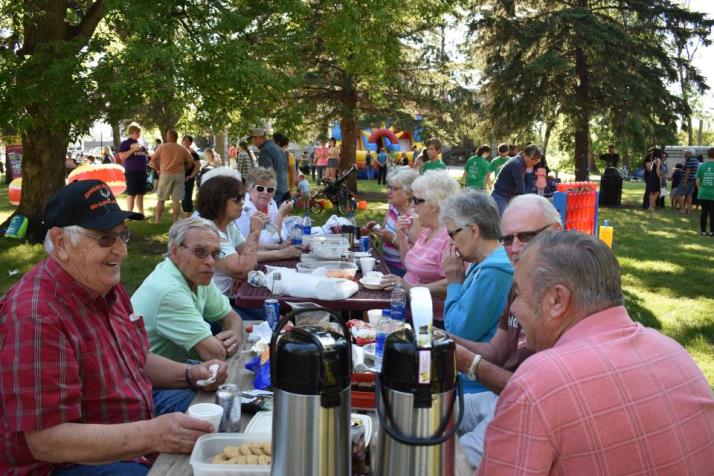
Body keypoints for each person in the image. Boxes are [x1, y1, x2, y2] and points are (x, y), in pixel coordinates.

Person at [0, 180, 228, 476]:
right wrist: (152, 435)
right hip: (61, 464)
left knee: (222, 412)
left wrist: (189, 375)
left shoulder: (105, 285)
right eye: (105, 239)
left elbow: (134, 358)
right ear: (61, 242)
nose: (121, 251)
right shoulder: (36, 316)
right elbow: (46, 442)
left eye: (123, 235)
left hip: (131, 415)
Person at [478, 231, 714, 475]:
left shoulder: (540, 380)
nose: (513, 308)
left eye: (518, 294)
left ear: (557, 300)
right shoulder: (671, 350)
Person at [447, 194, 561, 468]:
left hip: (530, 409)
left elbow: (536, 395)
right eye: (507, 239)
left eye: (525, 236)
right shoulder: (518, 277)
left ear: (556, 231)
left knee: (455, 461)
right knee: (427, 411)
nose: (514, 247)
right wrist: (446, 343)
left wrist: (467, 361)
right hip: (499, 395)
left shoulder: (560, 295)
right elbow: (497, 351)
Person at [131, 217, 244, 364]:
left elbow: (232, 316)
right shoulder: (170, 292)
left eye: (215, 253)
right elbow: (215, 353)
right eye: (200, 251)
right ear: (175, 252)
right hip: (143, 376)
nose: (210, 261)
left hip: (168, 367)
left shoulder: (196, 275)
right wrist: (231, 340)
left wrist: (234, 335)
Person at [441, 190, 513, 393]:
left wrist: (454, 282)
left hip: (476, 386)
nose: (451, 242)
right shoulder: (485, 262)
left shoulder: (493, 273)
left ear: (473, 230)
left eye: (452, 234)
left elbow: (457, 331)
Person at [380, 170, 459, 324]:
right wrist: (401, 238)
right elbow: (409, 263)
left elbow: (451, 284)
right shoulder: (427, 230)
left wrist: (407, 288)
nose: (412, 207)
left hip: (432, 321)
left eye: (416, 201)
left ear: (434, 205)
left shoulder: (449, 238)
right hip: (411, 310)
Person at [195, 172, 263, 297]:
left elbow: (247, 255)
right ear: (218, 200)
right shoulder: (207, 233)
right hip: (212, 303)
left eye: (242, 197)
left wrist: (240, 270)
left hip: (227, 295)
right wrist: (254, 233)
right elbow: (242, 269)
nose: (242, 203)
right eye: (237, 198)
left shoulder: (227, 225)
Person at [235, 167, 302, 261]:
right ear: (250, 189)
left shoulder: (271, 203)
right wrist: (281, 215)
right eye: (260, 188)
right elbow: (255, 243)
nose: (265, 192)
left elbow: (283, 234)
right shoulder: (243, 210)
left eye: (270, 189)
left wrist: (279, 245)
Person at [363, 168, 419, 276]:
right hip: (385, 265)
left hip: (404, 272)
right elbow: (385, 233)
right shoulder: (393, 206)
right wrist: (375, 227)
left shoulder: (416, 216)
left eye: (395, 188)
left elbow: (416, 252)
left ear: (408, 193)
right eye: (389, 187)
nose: (389, 191)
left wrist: (392, 239)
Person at [151, 129, 194, 224]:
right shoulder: (182, 148)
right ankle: (175, 221)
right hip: (179, 175)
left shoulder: (162, 147)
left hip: (165, 174)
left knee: (161, 199)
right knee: (176, 200)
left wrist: (158, 170)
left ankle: (157, 221)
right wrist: (185, 169)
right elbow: (191, 161)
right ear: (176, 137)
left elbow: (153, 160)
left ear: (168, 137)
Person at [491, 144, 542, 215]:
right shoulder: (517, 164)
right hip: (500, 197)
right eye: (532, 159)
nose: (534, 162)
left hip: (507, 197)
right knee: (503, 221)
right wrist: (530, 203)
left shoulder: (522, 163)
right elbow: (521, 188)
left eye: (536, 160)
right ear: (525, 154)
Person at [118, 122, 149, 215]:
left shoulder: (140, 144)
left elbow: (146, 156)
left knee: (140, 194)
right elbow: (122, 157)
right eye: (137, 132)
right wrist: (132, 150)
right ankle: (129, 214)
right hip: (132, 172)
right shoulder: (125, 143)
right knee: (131, 194)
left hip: (142, 172)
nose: (139, 134)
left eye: (139, 132)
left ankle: (141, 213)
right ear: (132, 132)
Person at [252, 128, 288, 203]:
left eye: (252, 139)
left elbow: (266, 175)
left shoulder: (265, 150)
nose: (252, 142)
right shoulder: (278, 148)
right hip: (283, 189)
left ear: (258, 137)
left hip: (274, 192)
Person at [181, 134, 202, 218]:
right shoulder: (180, 151)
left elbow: (198, 166)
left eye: (187, 141)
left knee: (187, 197)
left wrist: (191, 176)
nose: (185, 142)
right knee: (182, 197)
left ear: (190, 143)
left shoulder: (193, 153)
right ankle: (186, 216)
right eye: (184, 140)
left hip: (188, 177)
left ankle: (188, 217)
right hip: (180, 177)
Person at [696, 147, 714, 236]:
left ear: (708, 155)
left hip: (703, 193)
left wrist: (700, 191)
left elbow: (697, 181)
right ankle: (712, 232)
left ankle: (703, 232)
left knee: (703, 213)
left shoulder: (701, 166)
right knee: (713, 214)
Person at [274, 133, 297, 202]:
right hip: (277, 187)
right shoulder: (288, 155)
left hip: (283, 189)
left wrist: (292, 189)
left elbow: (293, 174)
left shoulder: (288, 155)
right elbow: (293, 173)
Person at [682, 147, 700, 215]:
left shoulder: (690, 160)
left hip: (689, 180)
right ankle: (689, 210)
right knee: (689, 195)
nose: (685, 153)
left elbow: (687, 172)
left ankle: (688, 210)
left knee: (688, 195)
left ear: (690, 153)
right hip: (694, 179)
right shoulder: (696, 160)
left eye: (686, 152)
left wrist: (685, 181)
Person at [644, 147, 662, 212]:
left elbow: (652, 170)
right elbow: (657, 171)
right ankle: (651, 207)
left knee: (651, 192)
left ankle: (650, 206)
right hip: (655, 178)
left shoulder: (653, 160)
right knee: (657, 192)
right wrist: (660, 178)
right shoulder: (659, 160)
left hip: (651, 177)